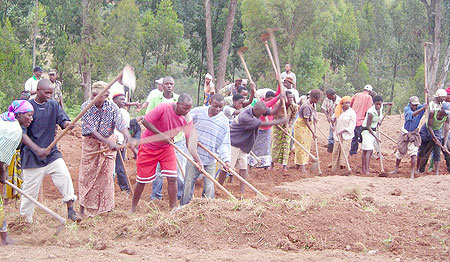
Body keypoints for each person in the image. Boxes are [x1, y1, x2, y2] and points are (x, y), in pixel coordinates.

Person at [20, 79, 81, 223]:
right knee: (29, 191)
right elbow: (22, 134)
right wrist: (37, 149)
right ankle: (24, 221)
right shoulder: (27, 107)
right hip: (31, 156)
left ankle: (71, 210)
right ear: (38, 90)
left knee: (64, 177)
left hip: (51, 153)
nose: (49, 96)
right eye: (46, 92)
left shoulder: (53, 105)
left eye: (51, 93)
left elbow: (63, 121)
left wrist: (68, 125)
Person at [131, 94, 202, 212]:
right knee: (142, 180)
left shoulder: (187, 118)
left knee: (172, 177)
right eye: (185, 108)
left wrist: (197, 160)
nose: (187, 111)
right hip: (149, 146)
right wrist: (161, 135)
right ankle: (133, 207)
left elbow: (189, 143)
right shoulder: (164, 107)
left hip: (166, 148)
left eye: (189, 108)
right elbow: (145, 121)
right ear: (178, 104)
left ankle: (173, 208)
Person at [79, 81, 133, 217]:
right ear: (95, 95)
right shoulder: (86, 107)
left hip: (109, 142)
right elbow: (90, 130)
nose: (107, 98)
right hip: (91, 146)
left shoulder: (112, 107)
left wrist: (129, 138)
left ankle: (106, 209)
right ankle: (84, 209)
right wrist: (106, 142)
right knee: (87, 176)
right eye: (105, 95)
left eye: (108, 95)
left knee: (107, 176)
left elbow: (121, 124)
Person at [217, 101, 287, 193]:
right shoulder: (245, 116)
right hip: (234, 143)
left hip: (244, 145)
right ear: (256, 109)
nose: (262, 115)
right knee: (226, 167)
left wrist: (281, 101)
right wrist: (281, 121)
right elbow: (263, 124)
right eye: (261, 113)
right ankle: (218, 188)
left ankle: (242, 191)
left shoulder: (257, 111)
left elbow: (272, 112)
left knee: (243, 167)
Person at [181, 94, 231, 205]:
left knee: (209, 186)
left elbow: (225, 142)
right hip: (194, 156)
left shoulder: (224, 121)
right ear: (209, 102)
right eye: (215, 106)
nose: (218, 109)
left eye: (220, 107)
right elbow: (185, 121)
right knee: (188, 184)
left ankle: (208, 209)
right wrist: (191, 137)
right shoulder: (198, 112)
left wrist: (226, 159)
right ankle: (184, 207)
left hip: (211, 158)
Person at [144, 77, 186, 201]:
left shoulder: (179, 99)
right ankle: (156, 195)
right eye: (166, 84)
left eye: (171, 84)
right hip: (159, 142)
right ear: (162, 85)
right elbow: (148, 118)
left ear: (174, 85)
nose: (169, 86)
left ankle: (179, 195)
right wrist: (161, 136)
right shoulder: (155, 99)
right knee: (157, 170)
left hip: (177, 139)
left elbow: (184, 118)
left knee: (178, 169)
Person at [0, 100, 34, 245]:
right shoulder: (15, 131)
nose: (31, 119)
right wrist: (2, 173)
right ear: (19, 115)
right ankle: (5, 239)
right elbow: (1, 158)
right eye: (28, 115)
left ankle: (4, 236)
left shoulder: (5, 119)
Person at [390, 96, 427, 178]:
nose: (415, 107)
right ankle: (396, 169)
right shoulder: (407, 109)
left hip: (414, 133)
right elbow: (412, 114)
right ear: (410, 103)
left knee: (413, 153)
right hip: (405, 133)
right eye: (413, 105)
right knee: (400, 151)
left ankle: (412, 172)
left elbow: (426, 104)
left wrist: (426, 96)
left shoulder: (419, 107)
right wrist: (422, 108)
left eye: (416, 105)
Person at [248, 90, 283, 168]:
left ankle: (265, 164)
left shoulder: (271, 103)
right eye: (271, 99)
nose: (272, 101)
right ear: (267, 98)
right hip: (259, 129)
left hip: (267, 129)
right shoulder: (261, 103)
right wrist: (278, 97)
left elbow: (278, 94)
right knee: (255, 146)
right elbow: (269, 103)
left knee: (266, 146)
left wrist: (278, 81)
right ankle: (253, 163)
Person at [417, 102, 450, 176]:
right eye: (445, 112)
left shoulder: (447, 116)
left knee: (437, 151)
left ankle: (436, 173)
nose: (446, 114)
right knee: (423, 150)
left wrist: (444, 144)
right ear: (441, 109)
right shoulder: (433, 112)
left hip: (437, 131)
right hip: (427, 130)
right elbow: (429, 126)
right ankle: (420, 169)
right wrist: (434, 138)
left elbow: (446, 130)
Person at [294, 89, 321, 172]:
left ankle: (298, 165)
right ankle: (302, 166)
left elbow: (313, 112)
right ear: (314, 98)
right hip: (301, 126)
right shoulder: (306, 106)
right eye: (317, 99)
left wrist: (315, 117)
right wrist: (313, 133)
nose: (317, 101)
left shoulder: (312, 104)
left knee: (306, 145)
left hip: (306, 127)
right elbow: (306, 121)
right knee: (301, 146)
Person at [271, 91, 298, 171]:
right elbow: (274, 117)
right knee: (275, 145)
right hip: (277, 126)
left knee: (286, 145)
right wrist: (279, 126)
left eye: (292, 98)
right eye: (289, 98)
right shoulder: (278, 105)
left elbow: (293, 118)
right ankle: (272, 164)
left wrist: (288, 126)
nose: (291, 99)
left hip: (287, 127)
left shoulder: (294, 107)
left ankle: (284, 165)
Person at [111, 92, 132, 193]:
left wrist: (124, 143)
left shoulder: (125, 114)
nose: (123, 102)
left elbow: (126, 129)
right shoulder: (109, 110)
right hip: (109, 143)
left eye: (124, 99)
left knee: (120, 168)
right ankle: (107, 188)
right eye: (121, 99)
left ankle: (125, 189)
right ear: (114, 100)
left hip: (120, 144)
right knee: (108, 168)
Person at [331, 96, 356, 172]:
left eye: (349, 103)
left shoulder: (352, 113)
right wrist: (332, 121)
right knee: (335, 151)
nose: (348, 104)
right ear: (342, 104)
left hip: (347, 135)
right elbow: (333, 119)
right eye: (346, 103)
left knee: (344, 152)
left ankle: (343, 168)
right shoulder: (338, 110)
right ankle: (334, 169)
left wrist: (342, 131)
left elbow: (352, 125)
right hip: (338, 135)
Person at [360, 95, 384, 175]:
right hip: (366, 131)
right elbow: (368, 126)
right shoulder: (370, 112)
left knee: (365, 150)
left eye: (380, 104)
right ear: (373, 104)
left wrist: (379, 122)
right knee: (369, 149)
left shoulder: (380, 108)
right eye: (377, 104)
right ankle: (366, 170)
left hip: (373, 130)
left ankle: (363, 169)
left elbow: (378, 119)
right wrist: (376, 137)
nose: (378, 106)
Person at [350, 84, 374, 156]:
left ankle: (353, 152)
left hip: (353, 119)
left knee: (354, 137)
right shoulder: (369, 98)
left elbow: (350, 104)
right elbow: (368, 111)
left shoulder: (356, 95)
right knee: (363, 136)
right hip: (361, 121)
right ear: (370, 91)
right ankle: (364, 152)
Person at [322, 88, 341, 153]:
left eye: (328, 95)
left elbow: (340, 112)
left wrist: (334, 118)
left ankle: (337, 148)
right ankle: (330, 148)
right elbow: (323, 108)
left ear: (332, 95)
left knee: (337, 133)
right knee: (331, 134)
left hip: (338, 120)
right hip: (331, 119)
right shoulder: (327, 99)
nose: (326, 97)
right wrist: (327, 117)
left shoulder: (339, 101)